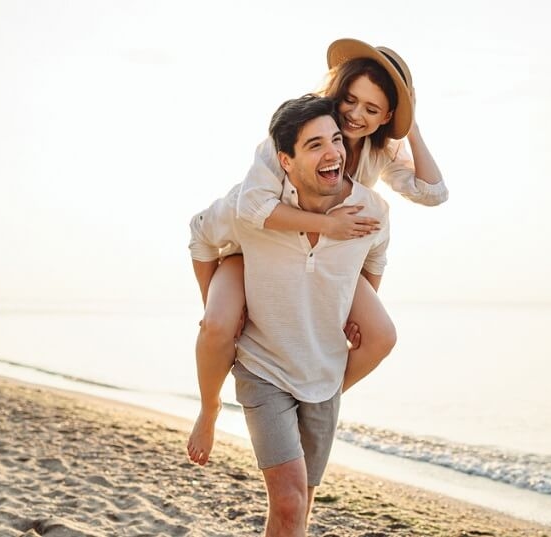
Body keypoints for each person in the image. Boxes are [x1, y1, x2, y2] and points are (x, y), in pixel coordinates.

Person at [187, 38, 447, 466]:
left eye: (373, 108)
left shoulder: (381, 148)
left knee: (380, 335)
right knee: (217, 325)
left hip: (323, 256)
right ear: (338, 89)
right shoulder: (299, 128)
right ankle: (210, 406)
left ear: (387, 115)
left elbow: (433, 193)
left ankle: (313, 395)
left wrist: (410, 122)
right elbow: (252, 207)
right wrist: (329, 224)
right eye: (351, 99)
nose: (356, 115)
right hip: (259, 242)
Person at [193, 94, 390, 536]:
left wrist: (348, 313)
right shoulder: (253, 211)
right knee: (288, 499)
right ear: (285, 160)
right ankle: (209, 409)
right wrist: (216, 303)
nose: (333, 153)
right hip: (263, 369)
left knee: (299, 506)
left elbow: (374, 258)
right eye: (314, 144)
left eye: (336, 140)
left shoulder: (371, 212)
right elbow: (199, 235)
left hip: (323, 374)